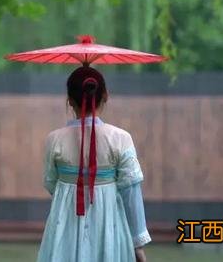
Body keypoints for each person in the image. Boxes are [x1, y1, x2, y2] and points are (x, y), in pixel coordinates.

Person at [37, 66, 151, 262]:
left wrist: (72, 186)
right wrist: (137, 244)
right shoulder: (121, 138)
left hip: (64, 229)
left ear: (69, 100)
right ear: (105, 95)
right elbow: (131, 193)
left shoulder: (54, 139)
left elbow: (51, 184)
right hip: (109, 228)